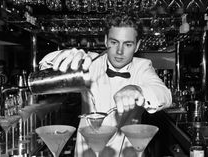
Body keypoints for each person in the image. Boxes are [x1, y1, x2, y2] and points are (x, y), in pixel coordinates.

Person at [39, 11, 172, 157]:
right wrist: (65, 57)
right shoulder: (89, 63)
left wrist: (137, 89)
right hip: (87, 152)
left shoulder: (143, 67)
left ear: (137, 45)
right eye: (114, 42)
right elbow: (45, 65)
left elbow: (164, 95)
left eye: (127, 44)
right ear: (106, 40)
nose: (120, 51)